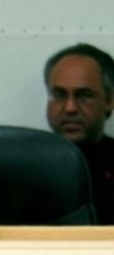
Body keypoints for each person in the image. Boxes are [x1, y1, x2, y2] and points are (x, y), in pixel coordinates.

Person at [43, 42, 114, 223]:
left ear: (109, 101)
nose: (70, 108)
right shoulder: (25, 166)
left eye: (84, 95)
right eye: (59, 94)